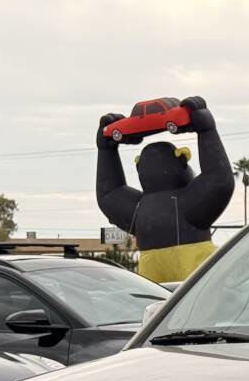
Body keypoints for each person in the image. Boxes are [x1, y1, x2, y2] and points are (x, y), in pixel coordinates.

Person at [95, 96, 234, 282]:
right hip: (198, 290)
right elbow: (219, 179)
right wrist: (206, 129)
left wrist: (106, 151)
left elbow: (109, 193)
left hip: (158, 297)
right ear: (182, 161)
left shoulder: (139, 209)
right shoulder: (190, 203)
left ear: (139, 168)